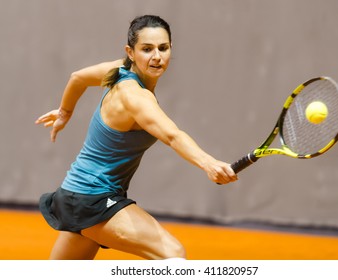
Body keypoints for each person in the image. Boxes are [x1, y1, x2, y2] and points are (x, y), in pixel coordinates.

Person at [35, 15, 237, 260]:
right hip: (93, 200)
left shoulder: (117, 70)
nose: (156, 57)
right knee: (173, 255)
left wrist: (65, 111)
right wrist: (209, 163)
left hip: (77, 195)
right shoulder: (135, 96)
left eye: (163, 48)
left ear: (171, 48)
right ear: (130, 52)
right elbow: (172, 136)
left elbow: (78, 77)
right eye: (147, 49)